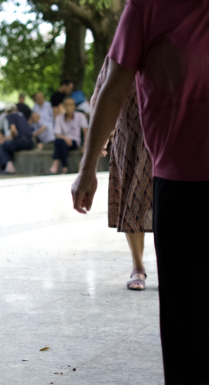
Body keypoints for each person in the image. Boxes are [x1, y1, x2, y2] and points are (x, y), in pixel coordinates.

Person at [71, 1, 209, 382]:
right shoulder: (147, 7)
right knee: (184, 316)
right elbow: (112, 88)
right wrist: (87, 169)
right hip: (178, 181)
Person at [93, 57, 152, 291]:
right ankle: (138, 267)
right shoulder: (115, 56)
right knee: (132, 199)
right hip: (128, 139)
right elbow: (99, 96)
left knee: (167, 203)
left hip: (165, 138)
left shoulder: (166, 47)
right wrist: (100, 136)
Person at [49, 97, 87, 174]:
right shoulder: (59, 118)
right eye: (67, 105)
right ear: (64, 106)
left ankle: (56, 165)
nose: (69, 107)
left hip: (74, 141)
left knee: (59, 142)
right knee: (60, 142)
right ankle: (64, 167)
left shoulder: (80, 116)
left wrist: (85, 146)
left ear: (74, 106)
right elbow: (57, 134)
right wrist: (65, 138)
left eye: (71, 105)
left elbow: (86, 131)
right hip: (63, 141)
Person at [0, 105, 35, 174]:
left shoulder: (11, 116)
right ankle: (5, 166)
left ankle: (9, 168)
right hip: (30, 142)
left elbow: (13, 130)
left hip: (22, 141)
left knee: (4, 146)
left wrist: (9, 138)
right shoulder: (21, 116)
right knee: (10, 146)